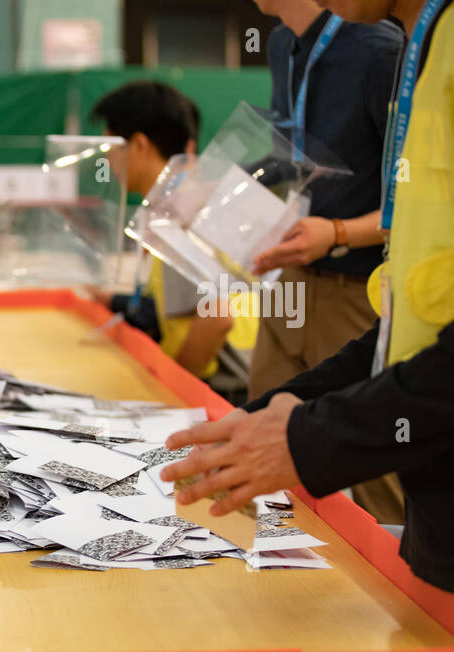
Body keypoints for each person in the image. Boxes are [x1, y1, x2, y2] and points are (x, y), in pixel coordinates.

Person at [166, 0, 454, 593]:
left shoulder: (384, 50)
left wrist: (310, 437)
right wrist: (283, 414)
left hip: (358, 296)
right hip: (324, 300)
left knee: (376, 499)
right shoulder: (412, 42)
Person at [248, 0, 405, 525]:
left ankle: (403, 598)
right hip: (288, 277)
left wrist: (337, 233)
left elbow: (413, 200)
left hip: (354, 287)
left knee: (370, 470)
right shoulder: (278, 44)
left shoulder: (379, 48)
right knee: (264, 436)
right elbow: (286, 156)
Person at [87, 82, 254, 389]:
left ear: (139, 145)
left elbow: (217, 318)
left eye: (111, 147)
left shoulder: (177, 216)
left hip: (221, 391)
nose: (107, 160)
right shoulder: (179, 204)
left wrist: (173, 387)